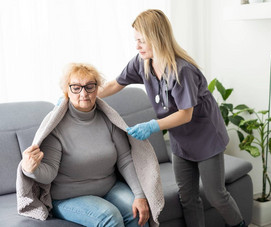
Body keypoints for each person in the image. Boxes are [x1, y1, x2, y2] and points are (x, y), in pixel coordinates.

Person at [98, 9, 246, 227]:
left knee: (216, 195)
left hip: (206, 137)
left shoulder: (182, 70)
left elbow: (186, 114)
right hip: (180, 140)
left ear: (156, 38)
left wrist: (152, 126)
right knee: (187, 197)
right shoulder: (142, 62)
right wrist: (83, 95)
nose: (136, 46)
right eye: (135, 40)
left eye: (141, 40)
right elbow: (113, 84)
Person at [17, 63, 164, 227]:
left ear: (97, 88)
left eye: (89, 86)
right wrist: (30, 169)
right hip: (69, 197)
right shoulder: (56, 128)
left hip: (108, 188)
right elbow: (49, 173)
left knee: (136, 212)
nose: (84, 93)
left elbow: (125, 160)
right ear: (67, 91)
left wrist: (139, 195)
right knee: (111, 217)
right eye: (76, 88)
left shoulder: (108, 119)